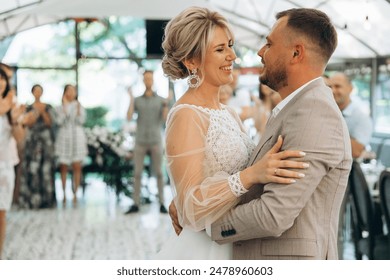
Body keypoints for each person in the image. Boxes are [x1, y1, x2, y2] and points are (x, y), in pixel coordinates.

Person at [196, 8, 352, 260]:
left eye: (268, 44)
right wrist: (199, 201)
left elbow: (272, 215)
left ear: (295, 53)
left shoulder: (313, 114)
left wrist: (204, 223)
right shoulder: (296, 107)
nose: (260, 52)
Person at [156, 6, 308, 259]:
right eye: (220, 49)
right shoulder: (186, 115)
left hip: (236, 241)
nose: (232, 56)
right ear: (191, 61)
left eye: (230, 45)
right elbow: (191, 208)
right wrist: (250, 175)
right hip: (206, 249)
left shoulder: (230, 113)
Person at [125, 70, 170, 214]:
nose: (148, 81)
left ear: (153, 80)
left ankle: (162, 203)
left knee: (159, 173)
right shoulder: (137, 100)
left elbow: (165, 119)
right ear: (143, 81)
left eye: (150, 78)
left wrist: (166, 104)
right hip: (140, 141)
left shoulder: (161, 100)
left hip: (156, 140)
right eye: (146, 78)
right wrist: (131, 98)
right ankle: (135, 203)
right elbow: (129, 116)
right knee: (137, 173)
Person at [18, 84, 57, 209]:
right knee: (32, 168)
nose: (38, 93)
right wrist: (34, 113)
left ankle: (47, 200)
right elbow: (27, 123)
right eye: (36, 91)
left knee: (46, 169)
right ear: (32, 92)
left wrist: (42, 112)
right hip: (33, 141)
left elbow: (50, 123)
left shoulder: (48, 107)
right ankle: (33, 200)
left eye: (40, 91)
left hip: (46, 141)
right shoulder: (28, 107)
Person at [0, 67, 25, 259]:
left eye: (4, 79)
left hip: (5, 164)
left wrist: (16, 121)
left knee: (2, 213)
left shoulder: (12, 107)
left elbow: (19, 139)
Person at [55, 84, 88, 205]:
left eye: (73, 90)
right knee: (63, 166)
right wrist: (65, 108)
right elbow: (60, 121)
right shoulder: (59, 107)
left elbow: (81, 121)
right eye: (68, 90)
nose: (71, 93)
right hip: (64, 137)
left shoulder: (80, 106)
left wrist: (78, 111)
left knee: (77, 166)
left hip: (77, 138)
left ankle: (75, 193)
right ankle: (63, 193)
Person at [329, 72, 373, 158]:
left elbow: (356, 151)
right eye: (330, 87)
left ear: (350, 89)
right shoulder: (324, 111)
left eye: (338, 86)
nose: (332, 90)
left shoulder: (362, 118)